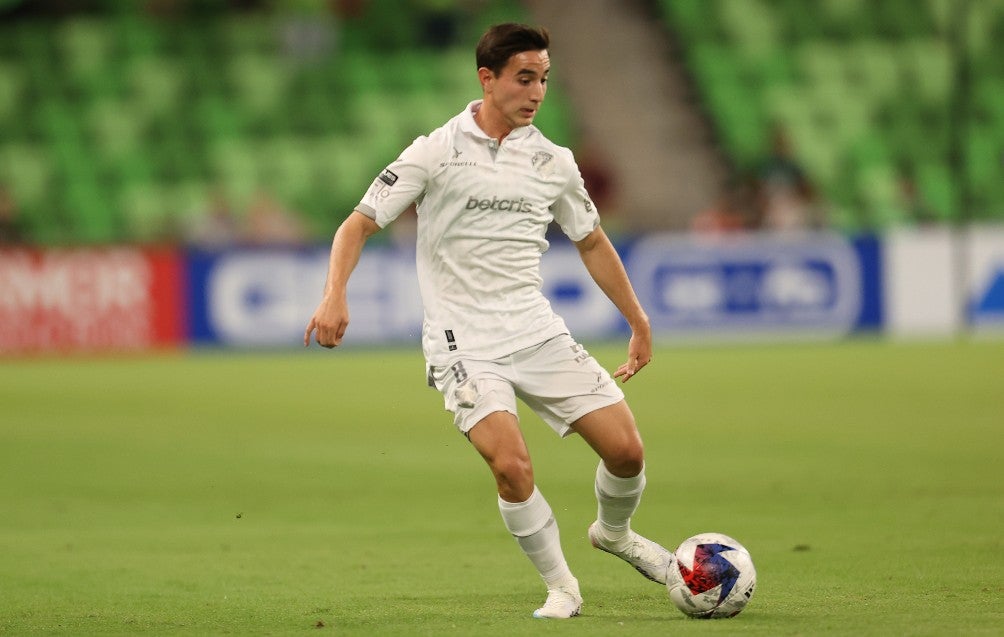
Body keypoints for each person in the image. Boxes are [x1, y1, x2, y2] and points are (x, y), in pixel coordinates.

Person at [304, 23, 671, 619]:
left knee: (627, 451)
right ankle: (563, 587)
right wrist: (333, 296)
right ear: (488, 79)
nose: (537, 92)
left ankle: (615, 534)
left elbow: (593, 241)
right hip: (462, 342)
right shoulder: (436, 150)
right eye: (525, 78)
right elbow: (358, 224)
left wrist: (638, 319)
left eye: (545, 80)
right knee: (510, 463)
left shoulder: (553, 162)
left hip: (534, 329)